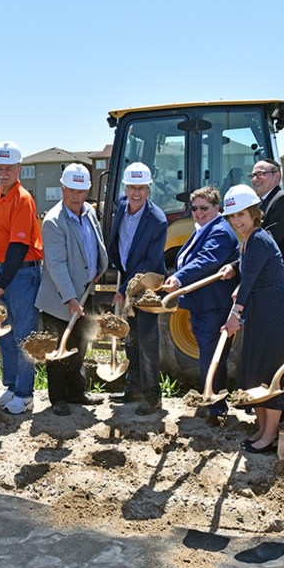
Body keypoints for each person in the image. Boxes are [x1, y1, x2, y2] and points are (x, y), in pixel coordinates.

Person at [218, 184, 284, 453]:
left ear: (254, 212)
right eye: (232, 216)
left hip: (276, 310)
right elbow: (249, 277)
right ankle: (262, 430)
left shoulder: (259, 240)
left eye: (241, 214)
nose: (237, 221)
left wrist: (234, 317)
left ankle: (270, 435)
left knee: (272, 372)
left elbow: (250, 280)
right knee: (258, 371)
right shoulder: (250, 240)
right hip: (262, 309)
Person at [35, 164, 109, 416]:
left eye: (81, 191)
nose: (76, 196)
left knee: (79, 345)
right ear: (63, 189)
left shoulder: (89, 212)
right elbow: (56, 265)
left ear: (87, 190)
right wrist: (70, 297)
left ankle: (77, 393)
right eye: (71, 190)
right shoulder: (54, 221)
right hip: (60, 297)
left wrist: (100, 266)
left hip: (85, 292)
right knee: (58, 348)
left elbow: (96, 242)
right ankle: (58, 399)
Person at [162, 186, 238, 425]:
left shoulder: (220, 232)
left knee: (212, 357)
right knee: (209, 356)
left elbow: (206, 260)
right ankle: (213, 402)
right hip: (202, 305)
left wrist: (179, 278)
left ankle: (217, 409)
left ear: (217, 208)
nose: (198, 212)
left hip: (213, 305)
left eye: (204, 208)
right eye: (194, 208)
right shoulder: (203, 229)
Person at [0, 141, 44, 415]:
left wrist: (0, 283)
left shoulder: (22, 198)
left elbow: (19, 246)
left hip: (22, 273)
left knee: (23, 335)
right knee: (5, 333)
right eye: (0, 167)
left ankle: (25, 394)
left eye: (9, 168)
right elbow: (1, 235)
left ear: (19, 169)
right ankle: (11, 386)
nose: (4, 172)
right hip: (6, 269)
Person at [107, 162, 168, 415]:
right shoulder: (121, 207)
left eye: (141, 188)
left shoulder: (157, 220)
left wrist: (124, 289)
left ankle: (153, 396)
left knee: (146, 340)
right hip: (126, 275)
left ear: (148, 190)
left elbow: (150, 263)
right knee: (130, 338)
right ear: (125, 188)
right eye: (132, 187)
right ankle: (133, 388)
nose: (136, 193)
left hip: (147, 286)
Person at [250, 159, 284, 303]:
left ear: (276, 176)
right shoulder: (262, 203)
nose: (255, 180)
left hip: (282, 283)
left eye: (260, 174)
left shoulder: (282, 200)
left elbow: (268, 240)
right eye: (253, 175)